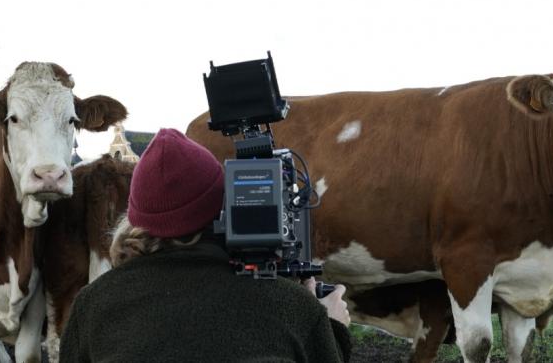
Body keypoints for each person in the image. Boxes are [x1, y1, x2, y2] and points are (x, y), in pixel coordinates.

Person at [58, 128, 353, 363]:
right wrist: (333, 329)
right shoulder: (293, 307)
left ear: (137, 217)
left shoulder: (93, 304)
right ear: (224, 209)